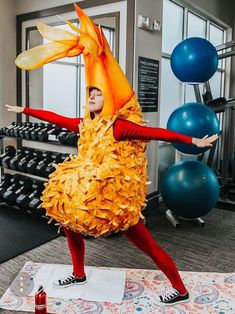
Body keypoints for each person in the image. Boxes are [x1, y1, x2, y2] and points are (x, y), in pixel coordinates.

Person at [5, 87, 218, 306]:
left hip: (115, 202)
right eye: (90, 93)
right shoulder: (85, 124)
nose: (91, 97)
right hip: (89, 196)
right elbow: (56, 118)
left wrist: (193, 140)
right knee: (70, 226)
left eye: (97, 95)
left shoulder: (118, 127)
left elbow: (154, 132)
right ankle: (79, 274)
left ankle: (180, 290)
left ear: (109, 103)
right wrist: (25, 109)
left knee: (148, 245)